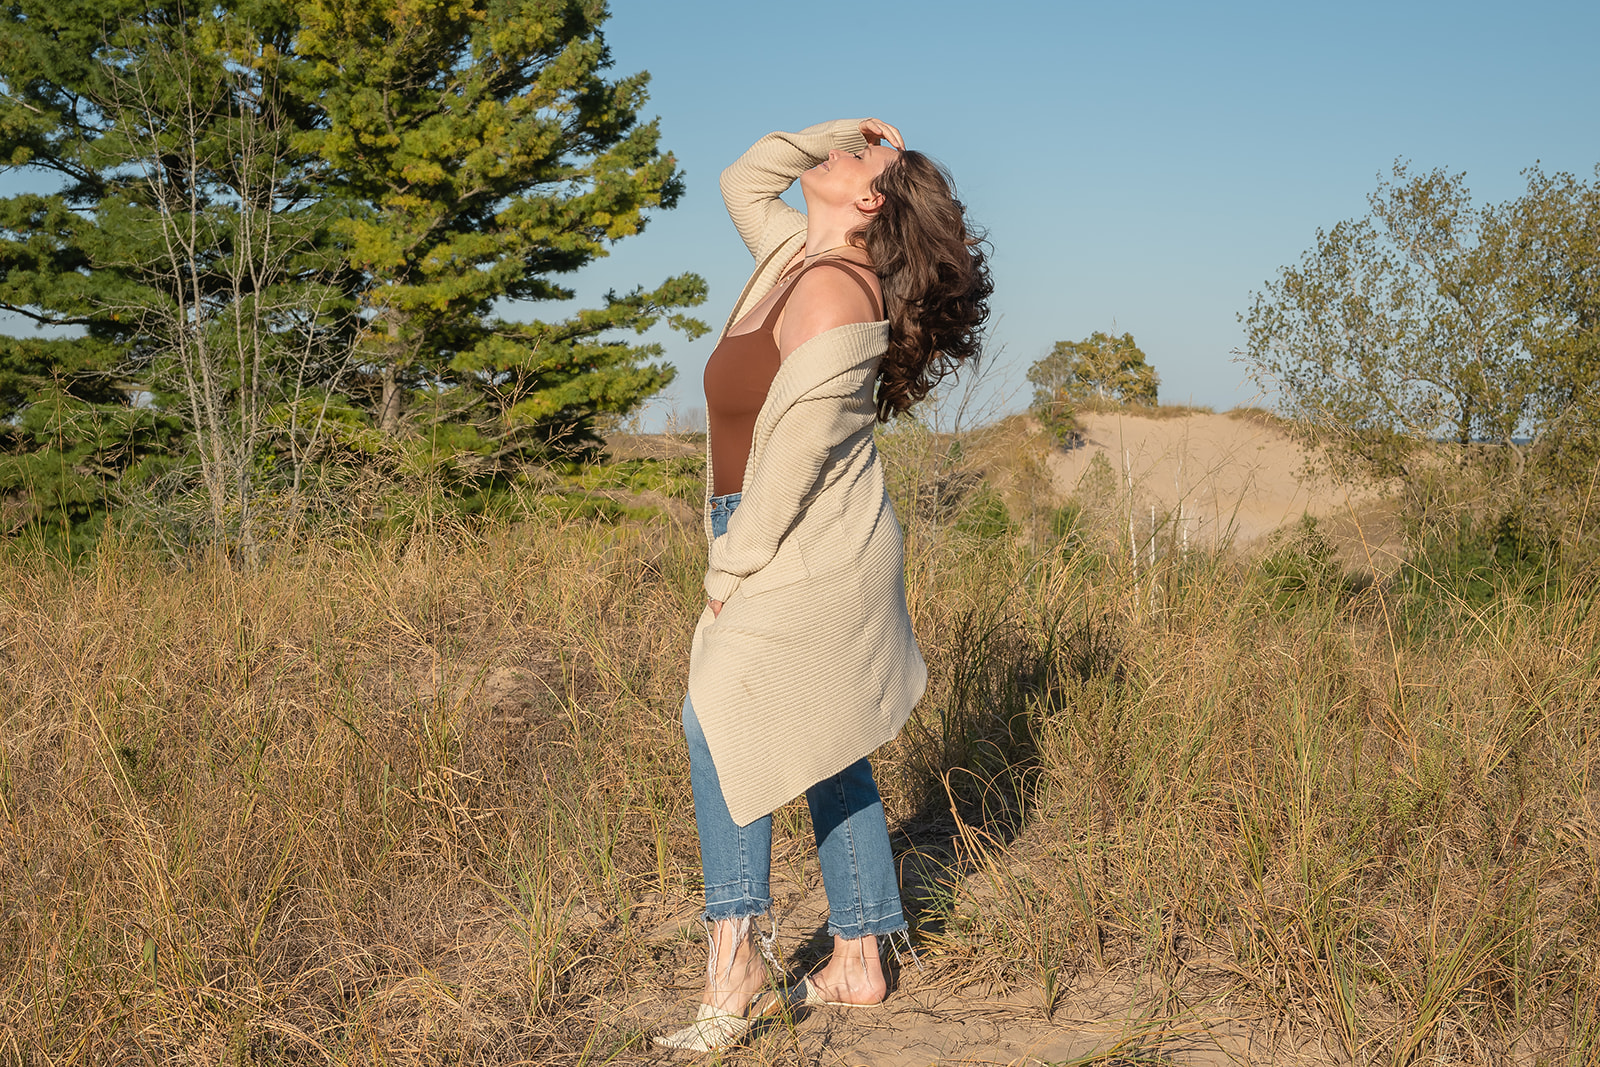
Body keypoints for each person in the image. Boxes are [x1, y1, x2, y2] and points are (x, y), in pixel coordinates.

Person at [656, 117, 991, 1052]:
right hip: (764, 523)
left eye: (850, 160)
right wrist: (844, 130)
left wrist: (729, 568)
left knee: (715, 720)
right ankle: (858, 955)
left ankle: (736, 963)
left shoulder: (840, 298)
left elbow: (794, 464)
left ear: (869, 199)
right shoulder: (793, 256)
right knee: (825, 732)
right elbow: (741, 178)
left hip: (805, 542)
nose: (825, 162)